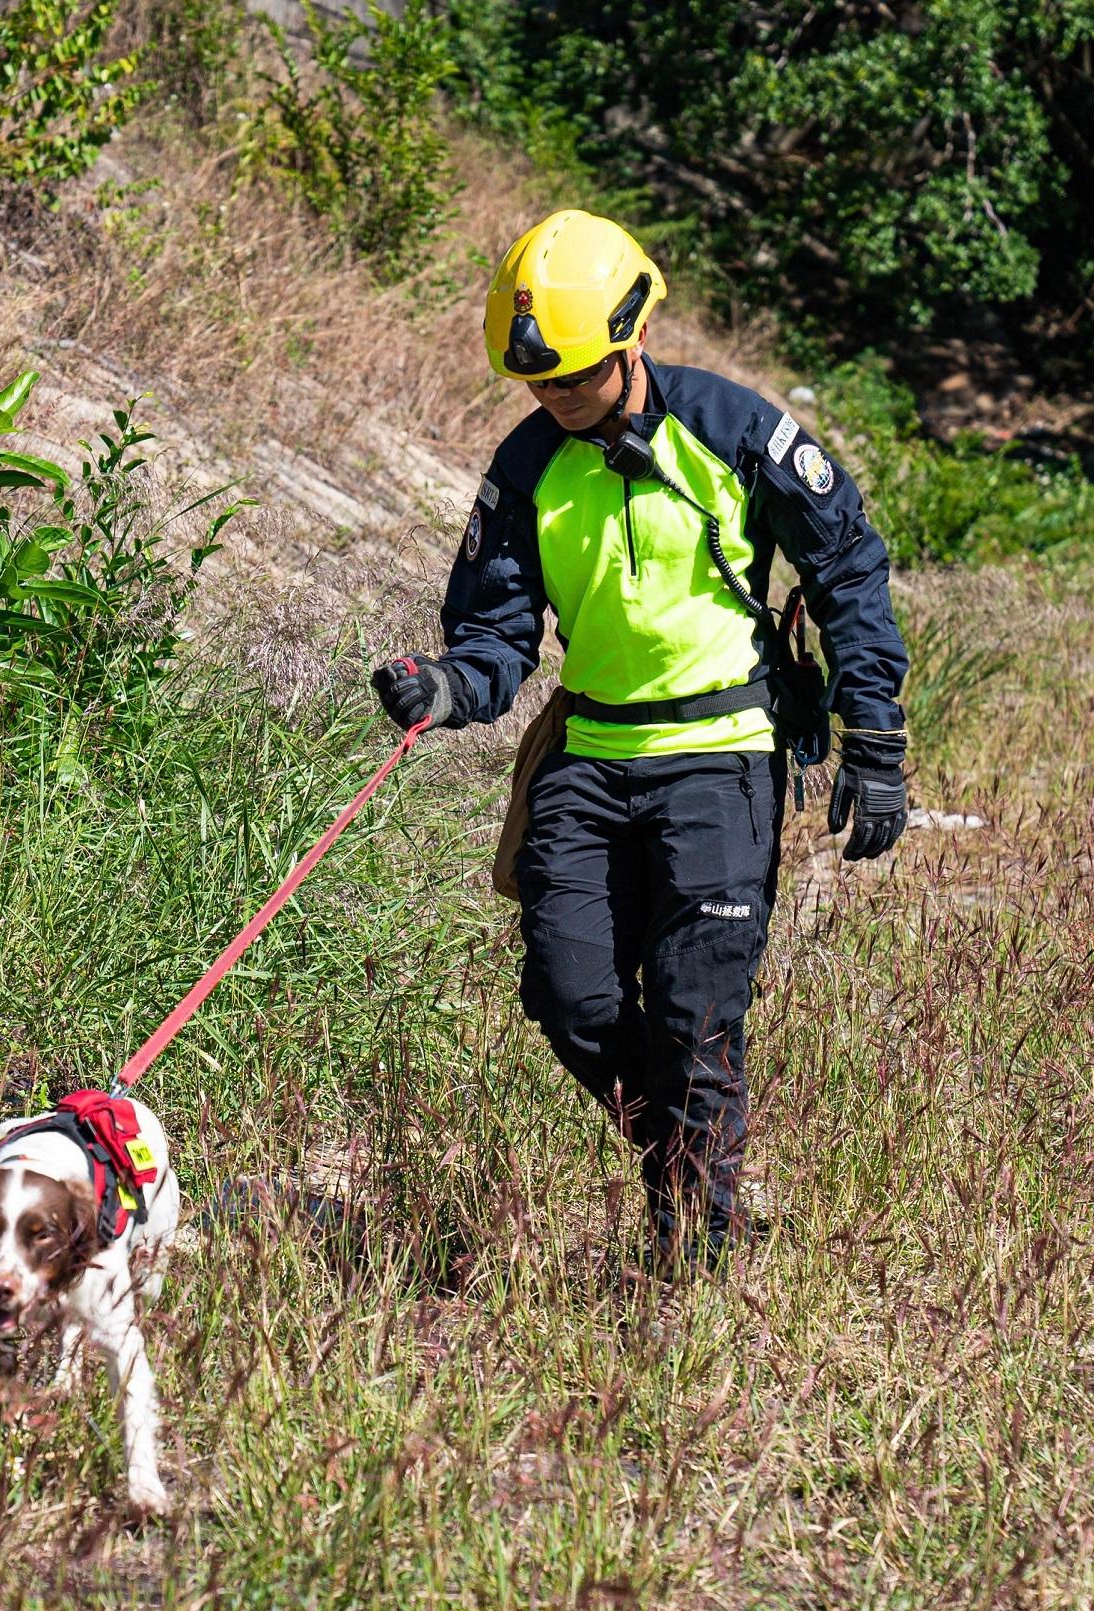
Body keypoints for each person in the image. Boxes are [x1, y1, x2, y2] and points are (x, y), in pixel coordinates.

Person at [370, 209, 910, 1274]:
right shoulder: (526, 465)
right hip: (592, 754)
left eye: (574, 379)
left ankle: (688, 1274)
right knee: (566, 993)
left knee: (695, 1011)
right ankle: (687, 1157)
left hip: (723, 753)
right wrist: (443, 688)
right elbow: (494, 635)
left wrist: (876, 741)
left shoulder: (737, 430)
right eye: (539, 386)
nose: (557, 401)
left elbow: (846, 568)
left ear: (630, 341)